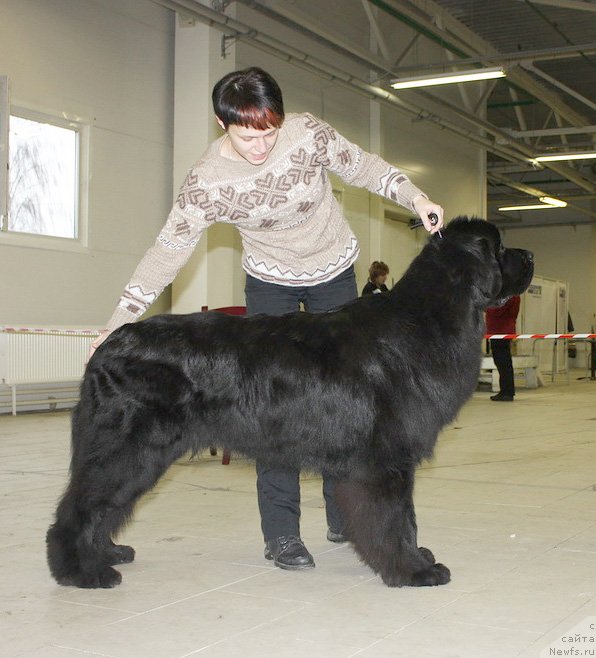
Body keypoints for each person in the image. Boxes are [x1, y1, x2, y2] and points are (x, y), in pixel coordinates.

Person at [90, 66, 444, 571]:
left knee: (349, 407)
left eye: (269, 133)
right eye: (246, 135)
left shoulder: (309, 135)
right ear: (222, 122)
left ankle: (349, 516)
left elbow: (364, 168)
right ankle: (281, 534)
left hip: (334, 273)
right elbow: (169, 249)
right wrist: (118, 319)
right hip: (270, 283)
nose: (261, 146)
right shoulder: (207, 181)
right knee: (271, 407)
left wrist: (416, 196)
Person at [485, 295, 521, 402]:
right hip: (501, 331)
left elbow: (497, 311)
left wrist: (486, 305)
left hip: (500, 331)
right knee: (503, 363)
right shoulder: (513, 294)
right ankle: (505, 391)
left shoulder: (508, 295)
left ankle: (507, 392)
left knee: (503, 363)